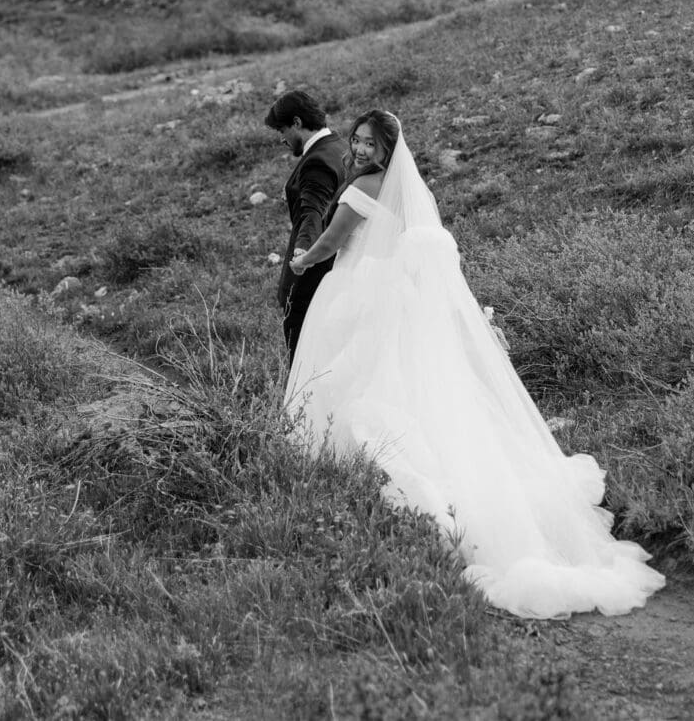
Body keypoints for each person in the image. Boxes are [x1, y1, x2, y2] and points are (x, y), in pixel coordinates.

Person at [287, 109, 665, 621]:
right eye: (355, 140)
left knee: (348, 381)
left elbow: (331, 242)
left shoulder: (360, 192)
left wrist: (303, 262)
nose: (358, 150)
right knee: (400, 381)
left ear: (386, 149)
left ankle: (344, 479)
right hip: (393, 297)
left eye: (368, 143)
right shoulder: (409, 195)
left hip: (357, 292)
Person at [264, 89, 349, 364]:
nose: (283, 139)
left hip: (313, 275)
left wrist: (302, 255)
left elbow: (313, 212)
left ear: (298, 123)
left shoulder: (317, 161)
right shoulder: (339, 147)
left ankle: (303, 405)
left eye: (283, 130)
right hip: (338, 265)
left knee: (303, 351)